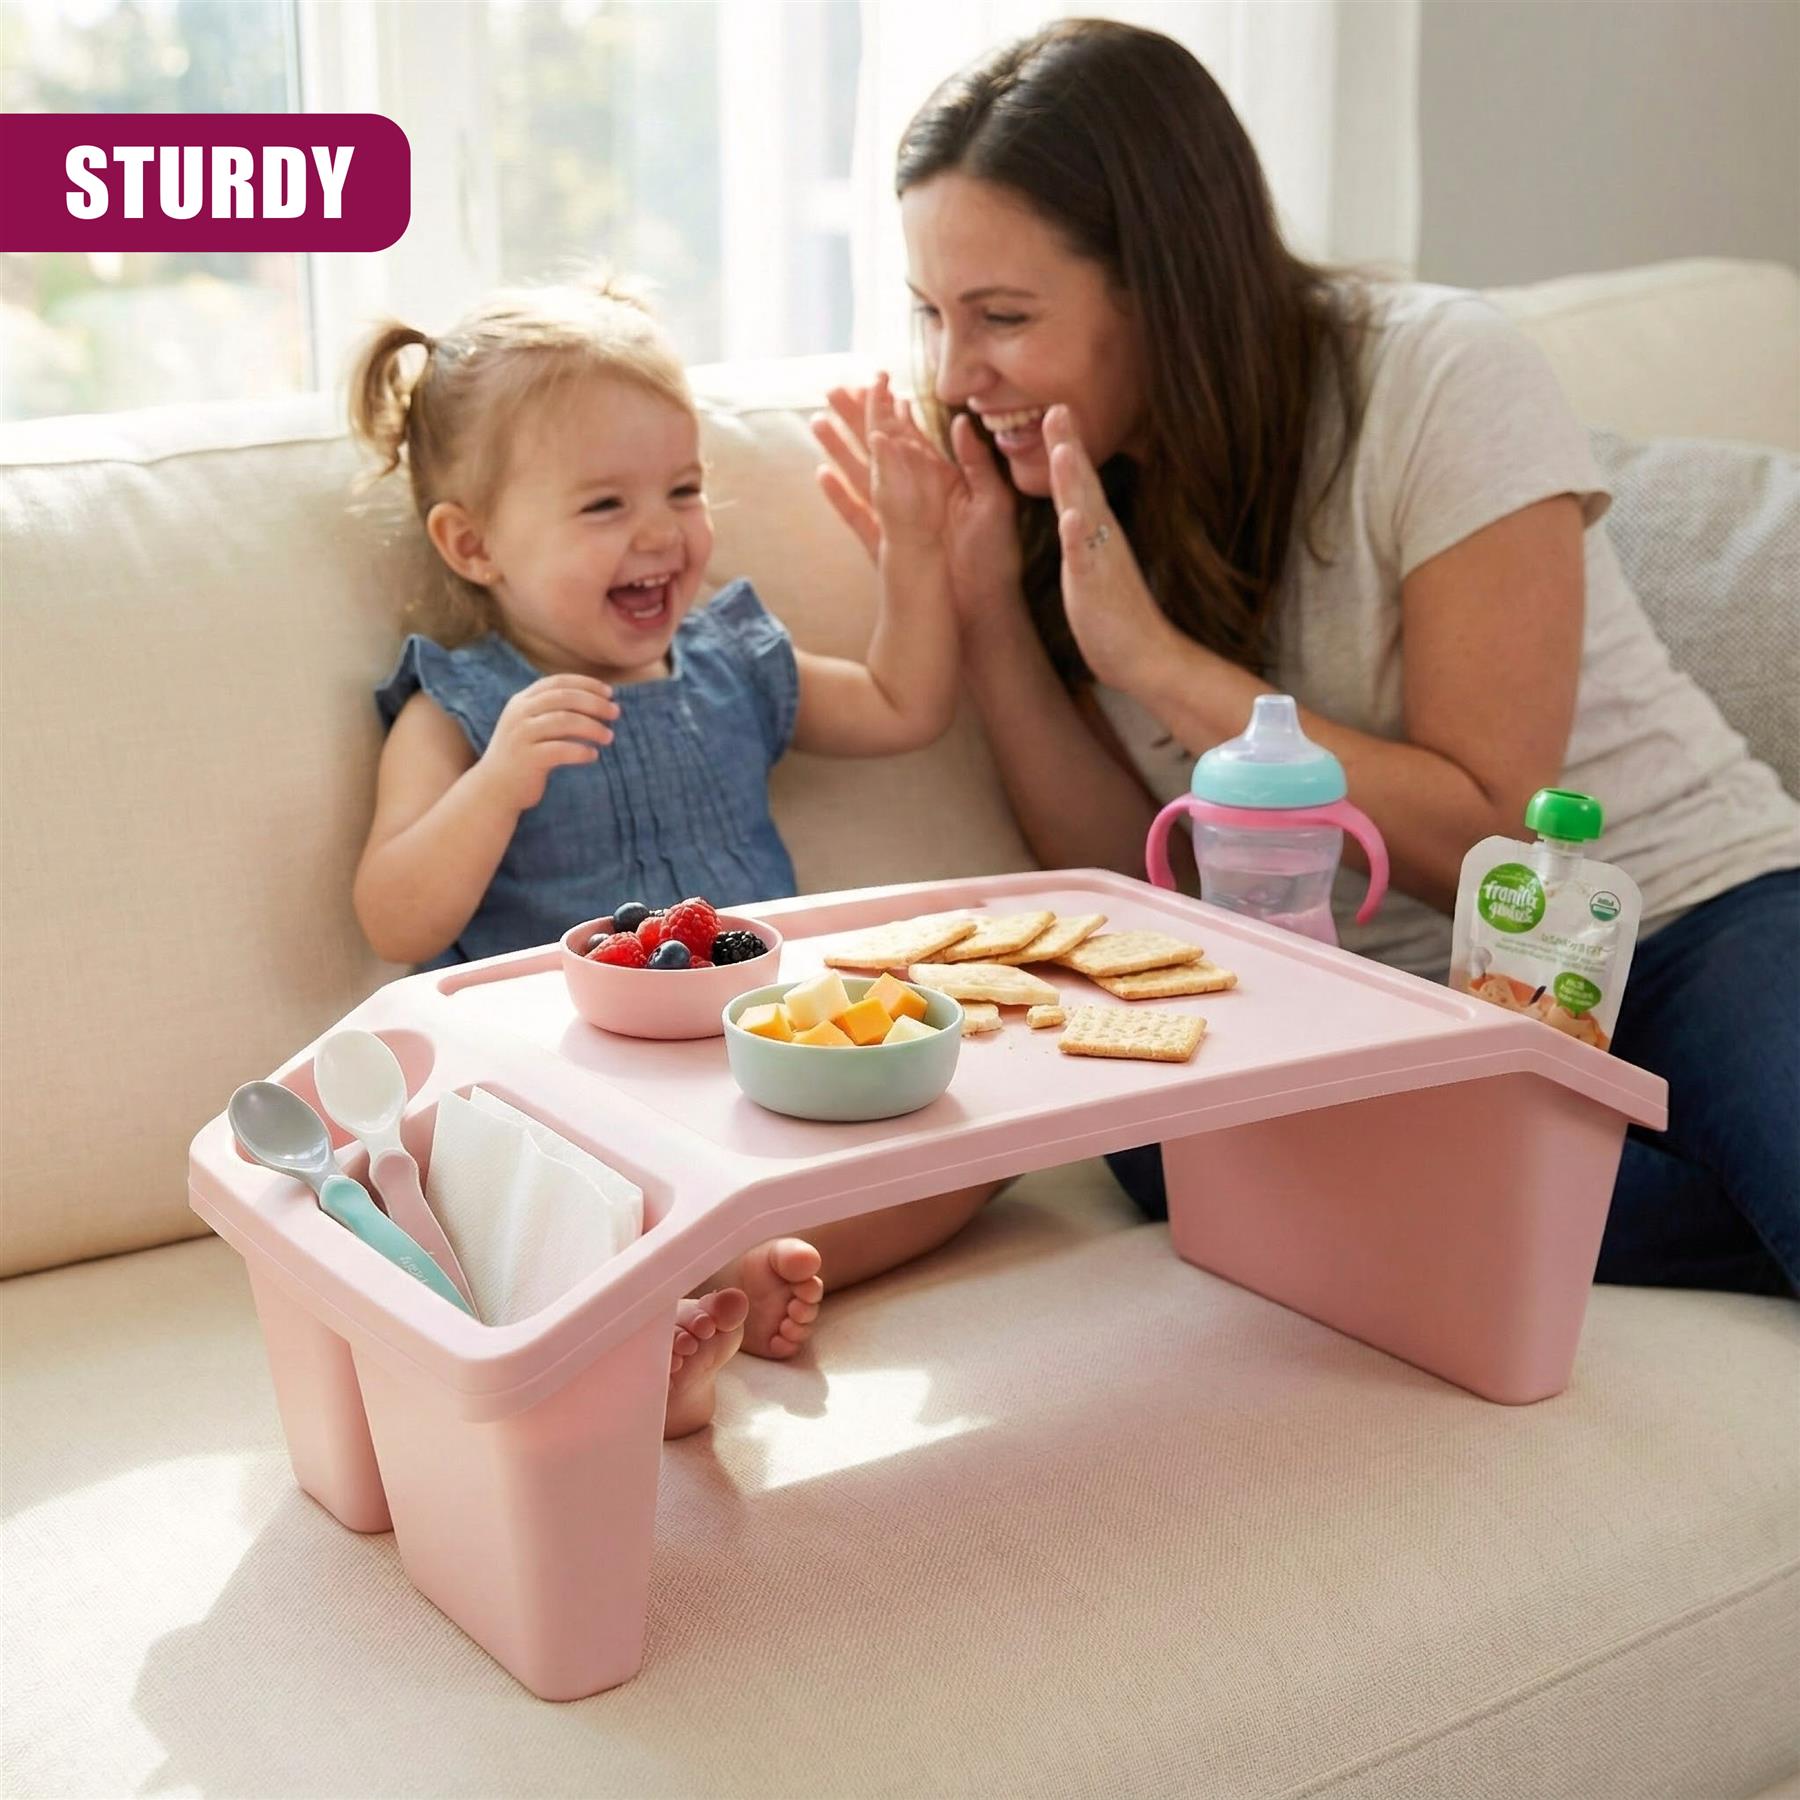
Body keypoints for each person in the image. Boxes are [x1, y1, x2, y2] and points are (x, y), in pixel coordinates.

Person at [813, 19, 1800, 1296]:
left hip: (1678, 915)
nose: (957, 371)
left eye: (1002, 315)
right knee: (1157, 1150)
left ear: (1163, 287)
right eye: (933, 315)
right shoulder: (1070, 478)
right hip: (1387, 1014)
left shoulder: (1437, 373)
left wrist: (1161, 662)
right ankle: (1706, 1183)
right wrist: (992, 603)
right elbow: (1141, 887)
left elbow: (1494, 843)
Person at [346, 277, 997, 1435]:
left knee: (976, 1149)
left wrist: (912, 545)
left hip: (763, 1070)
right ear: (473, 542)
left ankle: (728, 1282)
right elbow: (393, 915)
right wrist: (498, 780)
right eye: (604, 505)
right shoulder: (457, 708)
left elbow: (907, 705)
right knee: (505, 1194)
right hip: (571, 1095)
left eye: (683, 490)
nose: (661, 533)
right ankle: (658, 1310)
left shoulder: (731, 664)